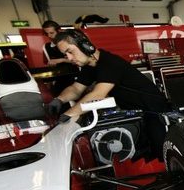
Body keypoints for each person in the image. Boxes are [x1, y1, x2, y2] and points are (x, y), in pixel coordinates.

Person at [50, 30, 171, 159]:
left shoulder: (110, 63)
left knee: (161, 157)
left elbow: (98, 94)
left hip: (156, 114)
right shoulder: (89, 67)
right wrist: (59, 99)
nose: (68, 58)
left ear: (85, 46)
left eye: (70, 51)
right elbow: (76, 89)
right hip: (137, 115)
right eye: (65, 54)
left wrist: (68, 114)